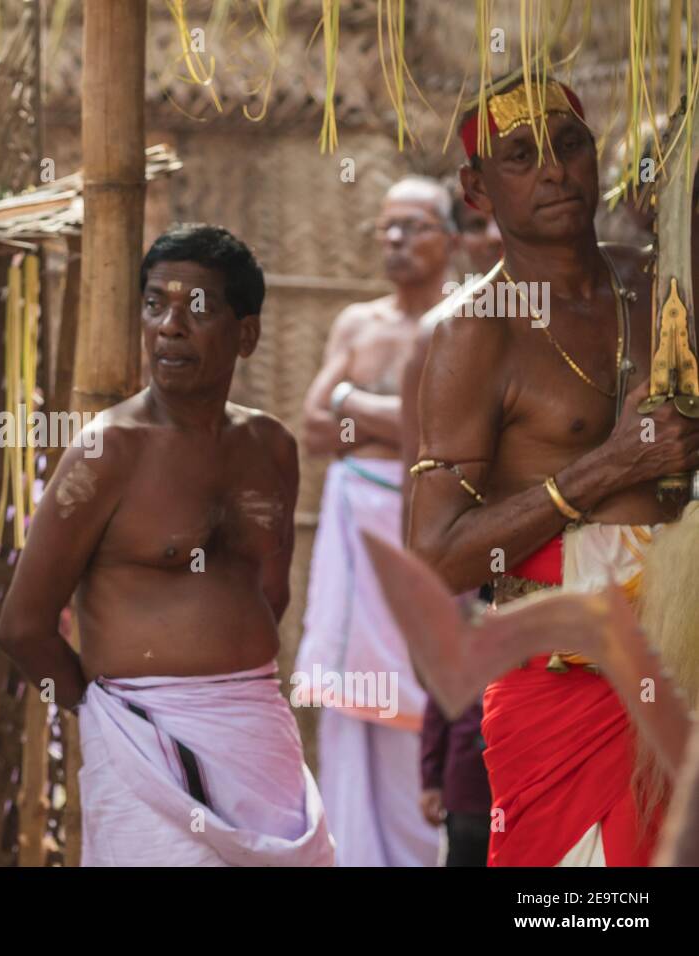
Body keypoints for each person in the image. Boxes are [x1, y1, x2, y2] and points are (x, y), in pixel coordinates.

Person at [408, 77, 699, 866]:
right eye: (521, 156)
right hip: (560, 685)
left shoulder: (662, 287)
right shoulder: (476, 333)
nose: (554, 170)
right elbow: (437, 556)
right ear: (476, 189)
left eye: (570, 145)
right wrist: (609, 466)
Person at [0, 223, 332, 867]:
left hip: (258, 734)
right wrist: (113, 716)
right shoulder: (106, 451)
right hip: (143, 742)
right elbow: (22, 627)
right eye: (154, 305)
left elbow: (270, 595)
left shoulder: (271, 448)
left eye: (197, 309)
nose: (169, 327)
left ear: (247, 334)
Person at [293, 176, 456, 867]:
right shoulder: (357, 324)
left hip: (432, 531)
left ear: (450, 237)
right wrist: (407, 421)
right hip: (357, 533)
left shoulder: (467, 322)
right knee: (354, 707)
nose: (394, 239)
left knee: (429, 690)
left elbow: (450, 437)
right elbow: (314, 427)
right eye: (387, 226)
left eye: (412, 226)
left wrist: (355, 403)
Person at [405, 185, 501, 868]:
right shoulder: (442, 333)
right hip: (472, 579)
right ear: (458, 238)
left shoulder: (613, 316)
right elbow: (419, 481)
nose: (492, 234)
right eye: (474, 222)